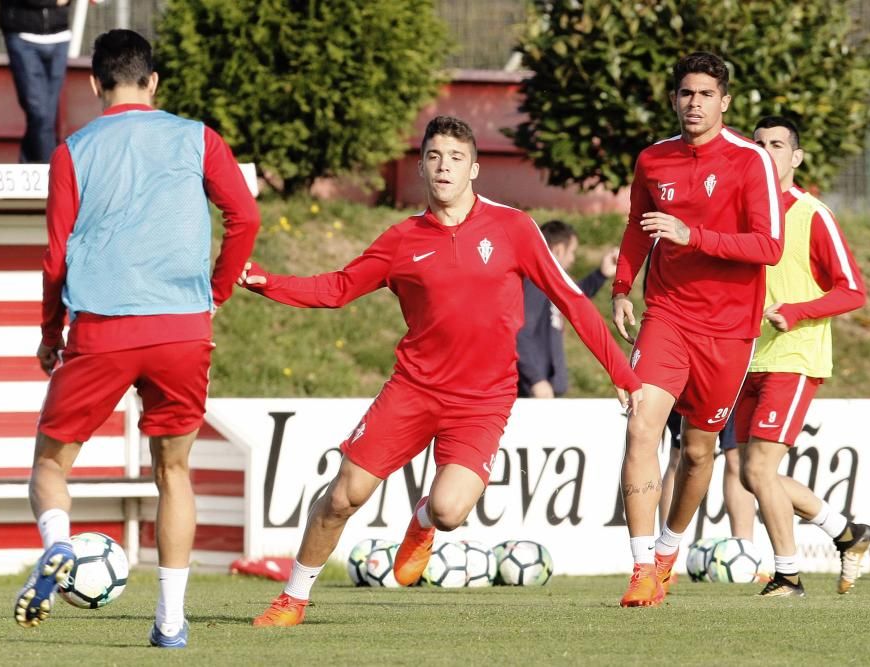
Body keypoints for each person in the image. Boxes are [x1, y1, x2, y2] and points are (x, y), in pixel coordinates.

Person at [242, 115, 643, 627]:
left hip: (482, 400)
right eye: (434, 157)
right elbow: (337, 288)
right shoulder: (401, 239)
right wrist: (264, 281)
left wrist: (621, 374)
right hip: (413, 389)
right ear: (422, 167)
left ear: (474, 168)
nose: (444, 167)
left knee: (451, 511)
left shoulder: (514, 228)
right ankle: (292, 599)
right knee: (344, 496)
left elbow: (570, 299)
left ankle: (422, 521)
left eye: (455, 158)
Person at [12, 29, 260, 649]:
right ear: (153, 82)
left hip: (102, 327)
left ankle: (58, 545)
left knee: (49, 464)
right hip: (181, 327)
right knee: (174, 472)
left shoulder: (72, 150)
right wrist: (217, 290)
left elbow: (54, 257)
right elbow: (246, 216)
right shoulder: (197, 137)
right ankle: (171, 623)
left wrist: (50, 333)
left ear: (94, 85)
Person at [611, 51, 783, 607]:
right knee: (641, 425)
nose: (694, 103)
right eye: (686, 93)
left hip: (730, 330)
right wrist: (621, 286)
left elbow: (769, 247)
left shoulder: (750, 160)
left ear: (724, 102)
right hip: (666, 314)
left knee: (699, 453)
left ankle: (667, 551)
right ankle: (640, 568)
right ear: (673, 99)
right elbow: (639, 227)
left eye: (706, 94)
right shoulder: (653, 161)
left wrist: (693, 234)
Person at [737, 115, 870, 597]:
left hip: (793, 358)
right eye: (757, 144)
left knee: (757, 470)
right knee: (750, 474)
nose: (765, 151)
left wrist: (796, 311)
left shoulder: (812, 214)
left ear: (796, 157)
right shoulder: (740, 213)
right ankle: (846, 533)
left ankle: (788, 576)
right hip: (743, 360)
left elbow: (853, 290)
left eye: (777, 145)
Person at [517, 219, 619, 398]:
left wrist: (601, 274)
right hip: (534, 394)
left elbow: (572, 298)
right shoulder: (535, 283)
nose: (572, 259)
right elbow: (519, 332)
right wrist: (536, 379)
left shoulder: (547, 284)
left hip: (545, 392)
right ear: (558, 249)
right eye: (571, 252)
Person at [659, 410, 753, 541]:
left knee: (736, 458)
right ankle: (665, 547)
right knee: (682, 455)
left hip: (735, 391)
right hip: (694, 391)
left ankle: (745, 549)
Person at [0, 0, 72, 163]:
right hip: (23, 37)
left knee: (45, 119)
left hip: (59, 36)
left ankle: (26, 170)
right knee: (40, 114)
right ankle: (51, 175)